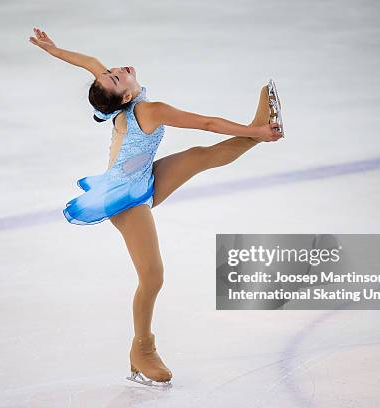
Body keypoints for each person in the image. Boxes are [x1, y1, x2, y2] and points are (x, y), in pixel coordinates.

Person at [29, 27, 283, 386]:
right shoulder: (149, 110)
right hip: (125, 199)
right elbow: (207, 123)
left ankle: (257, 130)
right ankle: (142, 349)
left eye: (111, 72)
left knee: (200, 157)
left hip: (144, 178)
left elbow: (88, 63)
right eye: (115, 77)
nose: (115, 69)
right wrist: (254, 133)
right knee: (153, 276)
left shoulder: (119, 95)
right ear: (127, 95)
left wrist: (53, 50)